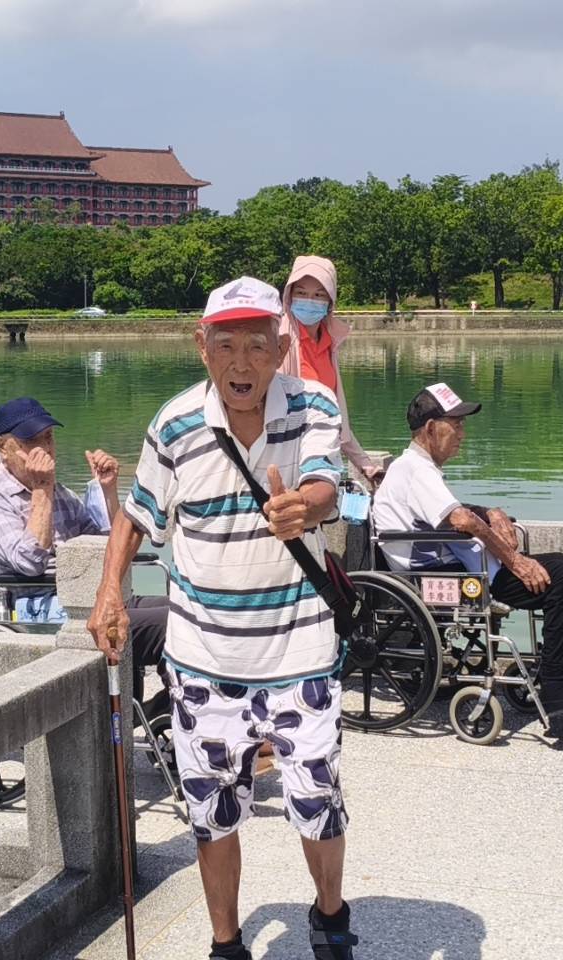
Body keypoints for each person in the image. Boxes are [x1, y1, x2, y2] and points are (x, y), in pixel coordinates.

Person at [88, 276, 358, 960]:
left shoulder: (314, 404)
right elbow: (136, 517)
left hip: (298, 650)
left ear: (280, 348)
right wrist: (109, 592)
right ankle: (225, 941)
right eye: (227, 346)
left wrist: (304, 507)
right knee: (212, 811)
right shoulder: (174, 424)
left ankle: (330, 915)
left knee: (318, 797)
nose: (243, 363)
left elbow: (325, 483)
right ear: (201, 347)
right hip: (204, 657)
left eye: (258, 346)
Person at [371, 381, 563, 723]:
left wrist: (490, 512)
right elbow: (461, 519)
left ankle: (556, 677)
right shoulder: (415, 470)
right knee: (559, 573)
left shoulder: (415, 468)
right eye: (456, 424)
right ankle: (557, 692)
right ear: (430, 428)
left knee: (556, 569)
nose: (463, 433)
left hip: (455, 568)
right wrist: (514, 561)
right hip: (445, 578)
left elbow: (453, 511)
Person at [0, 396, 169, 712]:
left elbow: (108, 548)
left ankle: (160, 710)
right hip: (42, 607)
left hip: (93, 595)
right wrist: (41, 489)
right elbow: (30, 563)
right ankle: (153, 713)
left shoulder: (61, 492)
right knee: (171, 624)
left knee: (189, 608)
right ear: (3, 448)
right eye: (31, 441)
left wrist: (108, 490)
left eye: (48, 437)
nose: (45, 449)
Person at [276, 256, 384, 487]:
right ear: (289, 295)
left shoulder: (329, 344)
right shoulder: (279, 341)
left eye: (319, 294)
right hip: (284, 465)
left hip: (320, 463)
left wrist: (366, 465)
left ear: (330, 301)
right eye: (301, 293)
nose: (309, 300)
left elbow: (332, 417)